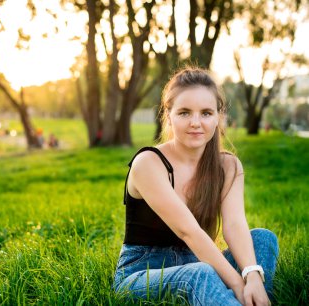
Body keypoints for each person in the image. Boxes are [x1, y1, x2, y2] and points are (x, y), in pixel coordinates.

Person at [113, 68, 279, 306]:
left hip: (199, 262)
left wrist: (252, 275)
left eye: (206, 113)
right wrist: (236, 284)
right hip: (142, 273)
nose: (196, 123)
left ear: (218, 117)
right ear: (168, 114)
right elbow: (188, 232)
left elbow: (234, 224)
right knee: (200, 274)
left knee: (263, 239)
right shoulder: (148, 163)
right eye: (184, 113)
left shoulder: (227, 165)